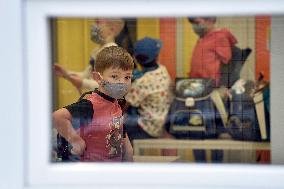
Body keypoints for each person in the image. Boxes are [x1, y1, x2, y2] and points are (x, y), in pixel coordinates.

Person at [53, 46, 134, 162]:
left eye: (127, 77)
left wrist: (129, 158)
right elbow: (57, 117)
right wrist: (76, 141)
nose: (122, 82)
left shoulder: (116, 104)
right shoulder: (90, 105)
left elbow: (124, 140)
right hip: (91, 174)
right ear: (98, 78)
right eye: (114, 76)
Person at [53, 18, 125, 93]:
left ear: (112, 30)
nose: (94, 26)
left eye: (98, 22)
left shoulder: (112, 51)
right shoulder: (97, 50)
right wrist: (66, 74)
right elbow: (85, 75)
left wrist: (82, 83)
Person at [124, 37, 173, 143]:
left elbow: (124, 105)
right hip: (162, 123)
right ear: (156, 56)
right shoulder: (163, 70)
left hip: (148, 128)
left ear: (135, 59)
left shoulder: (141, 82)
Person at [188, 17, 237, 87]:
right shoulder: (203, 37)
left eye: (197, 22)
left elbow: (228, 63)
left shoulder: (219, 36)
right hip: (197, 83)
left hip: (210, 85)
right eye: (192, 23)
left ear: (210, 20)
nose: (194, 26)